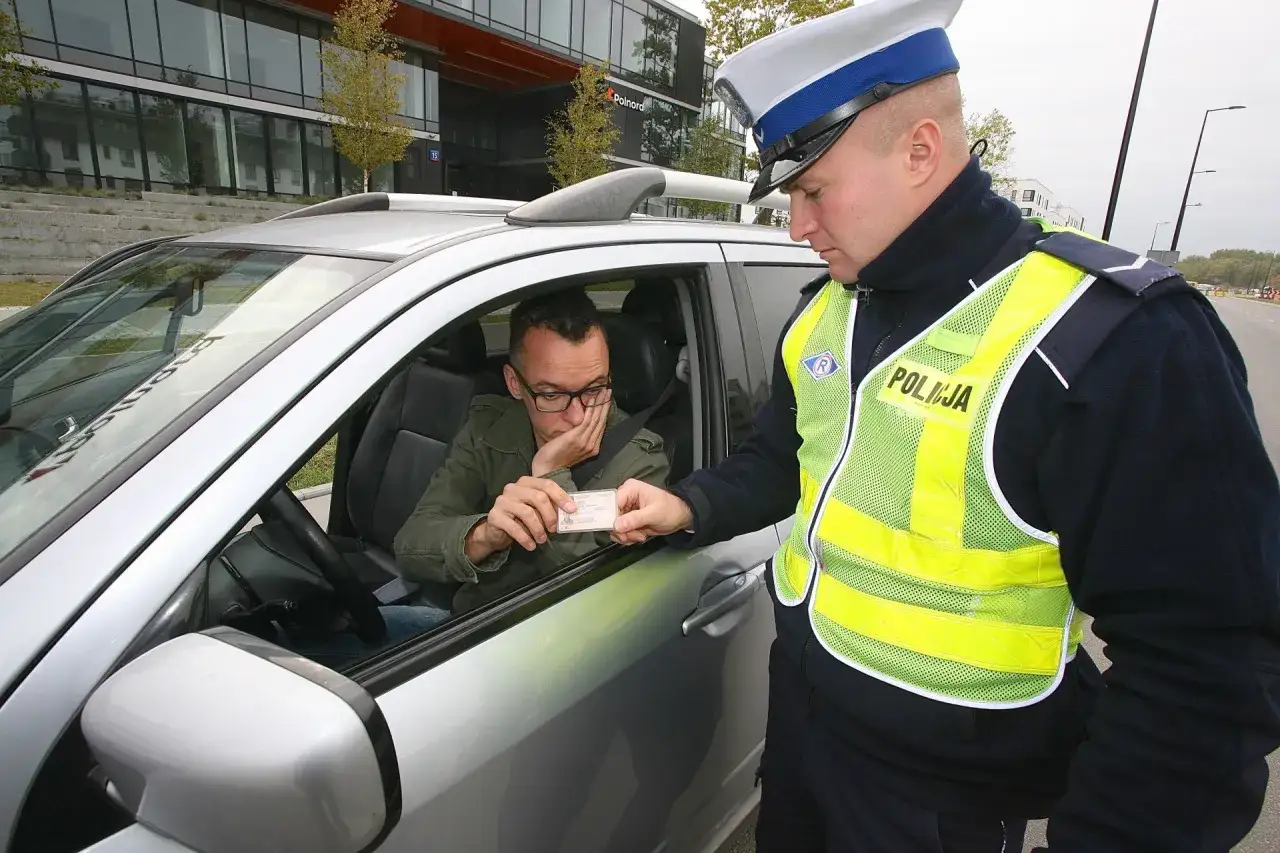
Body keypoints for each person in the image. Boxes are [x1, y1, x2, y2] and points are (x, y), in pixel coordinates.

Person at [610, 0, 1280, 850]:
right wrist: (694, 504)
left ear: (921, 150)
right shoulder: (828, 315)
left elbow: (1209, 674)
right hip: (806, 749)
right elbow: (786, 461)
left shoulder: (1110, 339)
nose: (798, 226)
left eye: (814, 190)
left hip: (940, 806)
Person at [391, 286, 670, 620]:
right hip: (467, 628)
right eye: (551, 395)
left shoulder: (640, 462)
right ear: (513, 383)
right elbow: (410, 547)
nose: (578, 416)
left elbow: (602, 609)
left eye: (595, 389)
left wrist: (551, 470)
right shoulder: (489, 428)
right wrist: (486, 535)